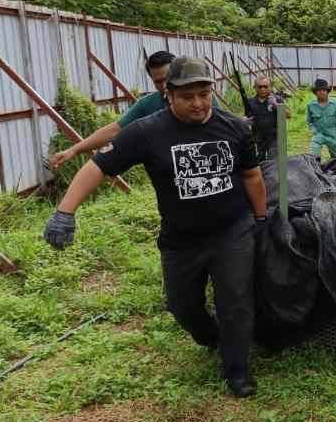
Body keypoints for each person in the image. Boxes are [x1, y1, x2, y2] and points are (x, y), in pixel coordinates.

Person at [42, 56, 267, 398]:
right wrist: (65, 211)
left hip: (231, 232)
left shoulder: (233, 127)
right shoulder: (147, 132)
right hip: (181, 240)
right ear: (169, 95)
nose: (198, 103)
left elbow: (252, 176)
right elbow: (98, 167)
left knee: (235, 302)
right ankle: (213, 337)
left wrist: (262, 218)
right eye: (187, 96)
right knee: (182, 305)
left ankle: (237, 371)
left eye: (204, 94)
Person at [48, 51, 177, 170]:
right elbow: (114, 130)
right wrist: (74, 150)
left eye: (168, 78)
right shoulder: (148, 104)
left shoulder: (196, 100)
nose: (165, 85)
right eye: (158, 82)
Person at [246, 76, 291, 162]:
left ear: (270, 87)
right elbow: (247, 117)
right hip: (257, 138)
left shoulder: (277, 99)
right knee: (259, 162)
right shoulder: (250, 102)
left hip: (274, 137)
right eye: (260, 87)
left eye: (265, 86)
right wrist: (245, 121)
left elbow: (288, 115)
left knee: (273, 163)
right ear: (255, 87)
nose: (263, 89)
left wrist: (275, 105)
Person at [306, 78, 336, 160]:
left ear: (327, 91)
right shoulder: (311, 105)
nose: (322, 92)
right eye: (319, 90)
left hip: (332, 134)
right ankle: (316, 170)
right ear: (315, 93)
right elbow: (309, 121)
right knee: (313, 157)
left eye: (324, 90)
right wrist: (314, 131)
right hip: (318, 134)